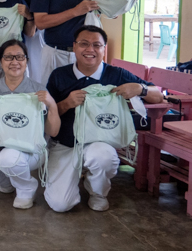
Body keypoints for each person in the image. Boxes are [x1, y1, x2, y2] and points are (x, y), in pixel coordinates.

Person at [45, 26, 162, 212]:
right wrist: (66, 104)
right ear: (74, 47)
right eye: (84, 44)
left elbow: (159, 95)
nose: (90, 49)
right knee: (60, 205)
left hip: (99, 142)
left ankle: (98, 193)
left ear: (104, 49)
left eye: (96, 45)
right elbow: (46, 116)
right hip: (65, 144)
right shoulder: (59, 75)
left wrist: (140, 89)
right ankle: (71, 177)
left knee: (104, 156)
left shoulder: (117, 75)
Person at [0, 40, 60, 209]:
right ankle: (10, 177)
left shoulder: (38, 91)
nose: (14, 62)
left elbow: (53, 131)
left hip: (30, 149)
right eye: (8, 57)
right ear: (1, 61)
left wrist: (52, 105)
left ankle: (26, 187)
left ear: (26, 61)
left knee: (9, 157)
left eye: (20, 57)